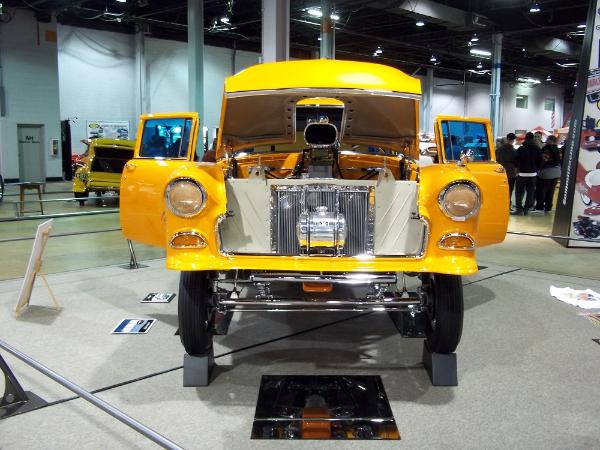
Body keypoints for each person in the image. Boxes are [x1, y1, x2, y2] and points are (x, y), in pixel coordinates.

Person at [513, 132, 542, 215]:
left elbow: (516, 160)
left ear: (525, 138)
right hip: (533, 175)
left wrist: (517, 168)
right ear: (532, 139)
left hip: (522, 174)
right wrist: (537, 169)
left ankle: (519, 209)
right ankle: (526, 209)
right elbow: (540, 161)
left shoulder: (521, 149)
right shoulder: (537, 149)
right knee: (530, 192)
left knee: (519, 192)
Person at [533, 135, 561, 213]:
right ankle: (548, 207)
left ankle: (539, 207)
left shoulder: (547, 148)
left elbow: (544, 160)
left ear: (551, 140)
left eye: (547, 139)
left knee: (541, 191)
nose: (546, 140)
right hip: (556, 173)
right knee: (551, 191)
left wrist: (538, 168)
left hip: (546, 173)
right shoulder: (557, 149)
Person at [496, 132, 517, 208]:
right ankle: (507, 204)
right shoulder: (514, 151)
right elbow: (516, 163)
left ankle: (499, 204)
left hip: (499, 172)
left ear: (507, 139)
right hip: (511, 173)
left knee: (500, 190)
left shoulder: (498, 150)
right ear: (513, 140)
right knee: (509, 190)